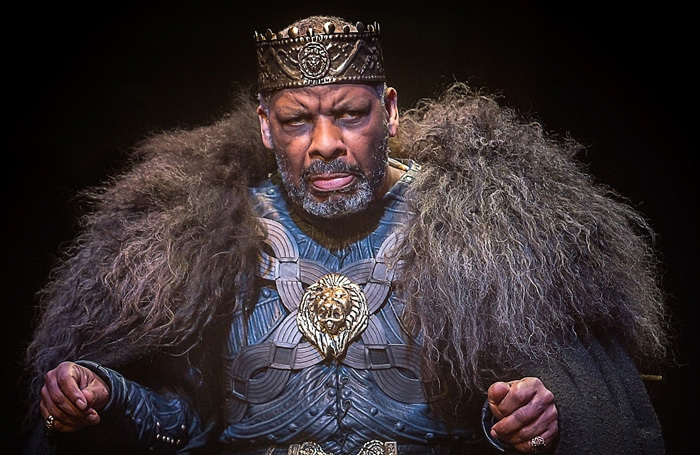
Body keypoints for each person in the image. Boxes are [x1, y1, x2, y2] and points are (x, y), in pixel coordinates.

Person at [21, 14, 669, 455]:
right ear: (266, 126)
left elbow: (492, 412)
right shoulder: (208, 239)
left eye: (350, 115)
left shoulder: (473, 232)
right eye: (298, 120)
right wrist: (105, 393)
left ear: (388, 109)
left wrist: (519, 420)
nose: (325, 144)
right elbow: (188, 421)